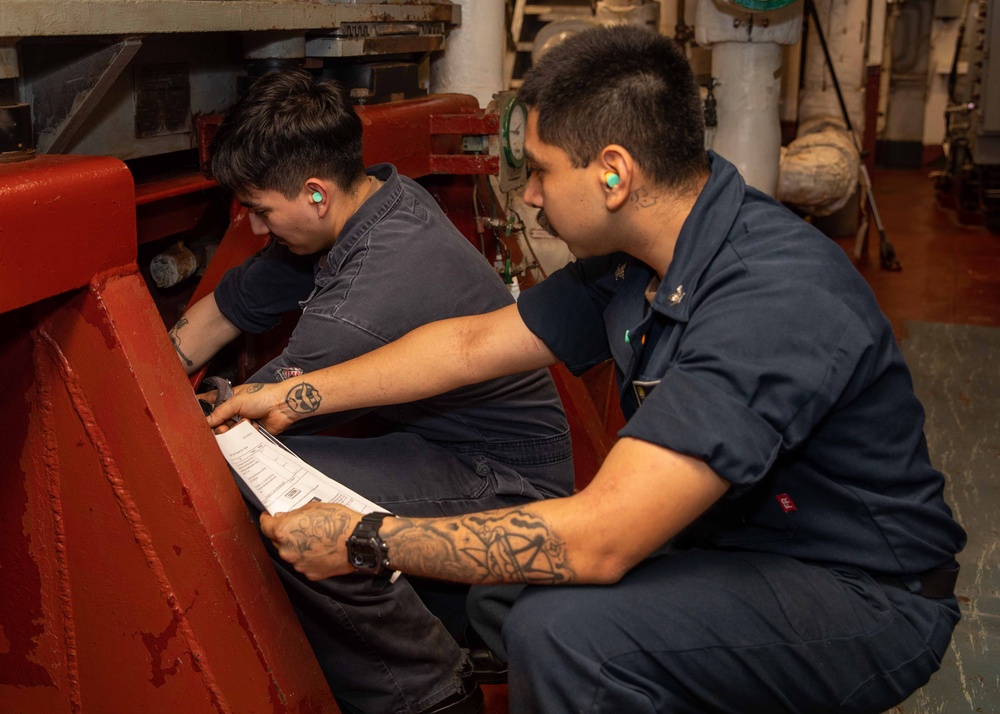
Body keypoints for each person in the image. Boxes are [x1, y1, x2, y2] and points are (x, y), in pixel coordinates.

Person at [208, 26, 966, 714]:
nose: (529, 197)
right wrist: (292, 397)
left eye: (539, 171)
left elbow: (601, 540)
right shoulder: (637, 259)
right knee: (506, 596)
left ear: (613, 174)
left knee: (563, 632)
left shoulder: (770, 298)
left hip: (863, 594)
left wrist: (368, 539)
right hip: (740, 548)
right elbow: (472, 344)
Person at [173, 70, 575, 714]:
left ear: (313, 193)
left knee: (266, 491)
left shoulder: (366, 297)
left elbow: (246, 424)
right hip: (440, 447)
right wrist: (162, 370)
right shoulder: (375, 200)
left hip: (503, 480)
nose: (252, 227)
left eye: (259, 210)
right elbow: (226, 308)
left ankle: (426, 691)